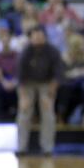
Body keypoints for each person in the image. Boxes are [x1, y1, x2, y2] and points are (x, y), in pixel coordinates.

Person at [16, 26, 64, 156]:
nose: (37, 38)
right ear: (30, 38)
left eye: (40, 35)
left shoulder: (53, 51)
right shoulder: (25, 52)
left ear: (45, 37)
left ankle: (47, 148)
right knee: (24, 112)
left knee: (48, 112)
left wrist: (50, 93)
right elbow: (20, 77)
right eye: (34, 35)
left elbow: (58, 73)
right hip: (27, 84)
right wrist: (23, 97)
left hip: (47, 83)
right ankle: (21, 147)